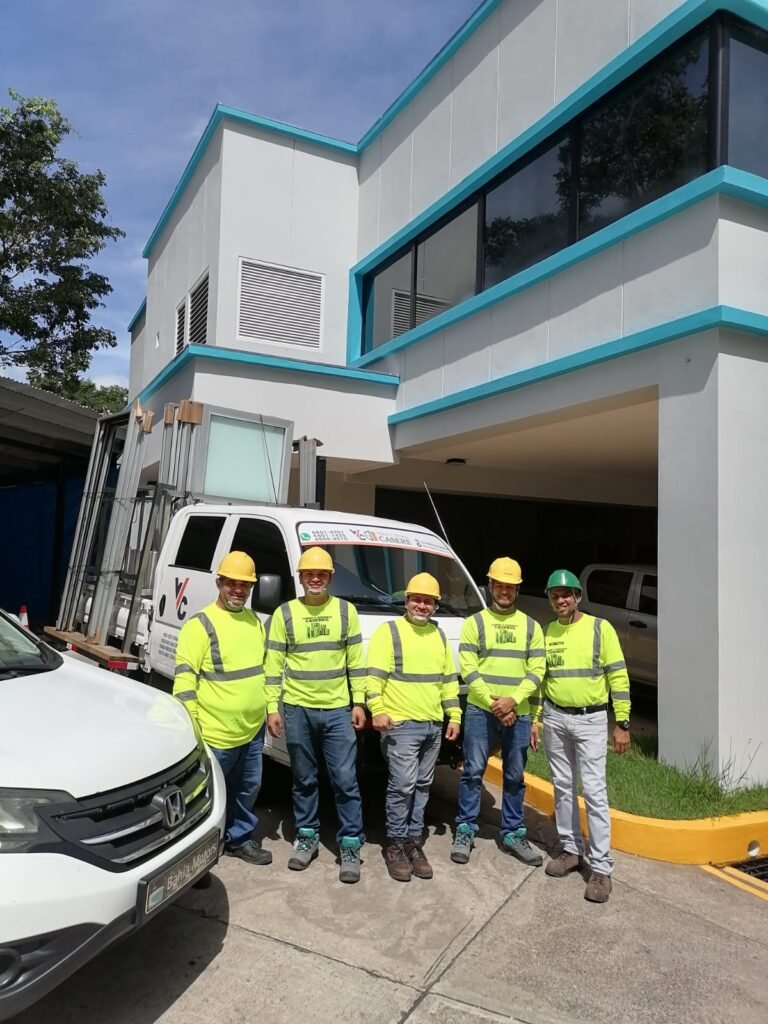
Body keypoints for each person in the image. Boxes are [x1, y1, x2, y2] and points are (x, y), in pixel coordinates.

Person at [264, 547, 366, 883]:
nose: (316, 579)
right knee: (304, 779)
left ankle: (350, 844)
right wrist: (272, 708)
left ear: (331, 578)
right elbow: (273, 664)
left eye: (322, 574)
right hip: (298, 710)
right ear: (301, 577)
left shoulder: (346, 612)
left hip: (337, 711)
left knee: (345, 780)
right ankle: (306, 836)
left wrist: (359, 702)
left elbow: (356, 662)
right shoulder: (285, 614)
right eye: (310, 574)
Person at [534, 569, 631, 903]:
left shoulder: (600, 628)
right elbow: (542, 678)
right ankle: (571, 851)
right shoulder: (548, 632)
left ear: (577, 597)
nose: (560, 600)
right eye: (555, 595)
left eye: (566, 595)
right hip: (555, 717)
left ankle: (601, 868)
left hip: (591, 720)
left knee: (593, 792)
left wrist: (622, 723)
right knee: (563, 787)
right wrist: (536, 718)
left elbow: (618, 676)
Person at [174, 551, 271, 867]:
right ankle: (198, 857)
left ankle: (239, 839)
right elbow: (185, 679)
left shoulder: (255, 622)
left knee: (247, 790)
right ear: (219, 583)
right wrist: (192, 724)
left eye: (245, 585)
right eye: (232, 583)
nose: (238, 590)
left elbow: (264, 671)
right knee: (205, 798)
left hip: (252, 730)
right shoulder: (200, 625)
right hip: (216, 733)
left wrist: (269, 710)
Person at [365, 572, 461, 882]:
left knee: (422, 785)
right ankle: (395, 844)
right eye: (416, 600)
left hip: (432, 725)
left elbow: (448, 682)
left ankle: (412, 841)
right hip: (400, 725)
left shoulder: (439, 636)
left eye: (428, 601)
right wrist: (377, 710)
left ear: (435, 605)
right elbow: (373, 679)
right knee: (403, 785)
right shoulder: (388, 632)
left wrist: (454, 716)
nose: (422, 606)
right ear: (406, 601)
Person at [452, 557, 546, 867]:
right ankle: (465, 829)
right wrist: (496, 705)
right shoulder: (475, 623)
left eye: (510, 586)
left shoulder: (531, 627)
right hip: (481, 712)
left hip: (518, 713)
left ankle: (513, 833)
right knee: (472, 772)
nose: (504, 591)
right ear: (490, 585)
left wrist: (513, 702)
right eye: (499, 585)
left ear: (517, 589)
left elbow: (537, 671)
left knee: (515, 776)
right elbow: (468, 668)